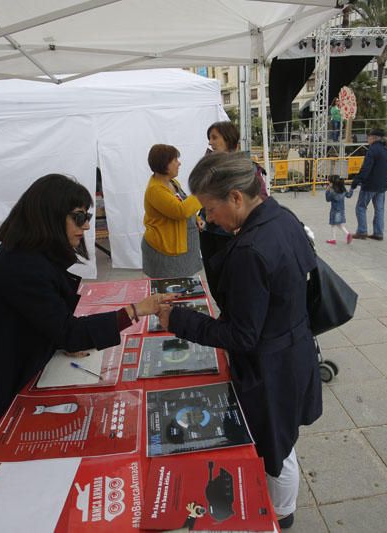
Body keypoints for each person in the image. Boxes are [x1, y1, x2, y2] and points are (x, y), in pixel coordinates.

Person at [0, 174, 171, 450]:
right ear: (49, 216)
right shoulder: (21, 267)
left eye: (87, 217)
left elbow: (52, 323)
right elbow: (70, 333)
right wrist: (135, 310)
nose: (86, 226)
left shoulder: (29, 254)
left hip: (12, 360)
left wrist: (62, 337)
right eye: (79, 217)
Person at [157, 152, 322, 530]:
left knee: (274, 447)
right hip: (294, 349)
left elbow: (241, 335)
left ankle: (280, 516)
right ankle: (283, 507)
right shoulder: (283, 218)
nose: (209, 218)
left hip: (271, 365)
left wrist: (179, 320)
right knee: (284, 439)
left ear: (236, 197)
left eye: (211, 209)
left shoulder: (251, 249)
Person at [199, 121, 268, 299]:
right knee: (214, 279)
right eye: (209, 139)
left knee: (233, 281)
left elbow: (261, 199)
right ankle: (224, 313)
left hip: (233, 235)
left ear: (229, 140)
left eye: (215, 137)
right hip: (208, 231)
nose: (211, 142)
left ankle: (232, 316)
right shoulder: (207, 167)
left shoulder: (247, 168)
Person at [141, 144, 203, 278]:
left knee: (182, 286)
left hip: (180, 245)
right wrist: (201, 192)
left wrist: (196, 219)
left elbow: (183, 202)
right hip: (165, 249)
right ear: (164, 164)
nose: (179, 163)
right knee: (169, 288)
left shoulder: (172, 182)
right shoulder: (156, 190)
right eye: (175, 160)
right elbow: (180, 211)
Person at [351, 128, 387, 241]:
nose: (367, 139)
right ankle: (378, 233)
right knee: (379, 209)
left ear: (374, 137)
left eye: (368, 137)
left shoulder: (372, 150)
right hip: (382, 185)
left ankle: (362, 231)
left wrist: (356, 181)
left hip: (370, 184)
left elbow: (366, 168)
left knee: (361, 207)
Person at [325, 175, 353, 244]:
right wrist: (352, 189)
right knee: (337, 224)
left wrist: (327, 190)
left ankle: (346, 234)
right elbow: (349, 195)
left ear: (332, 183)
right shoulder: (343, 190)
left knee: (335, 224)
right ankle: (334, 239)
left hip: (334, 211)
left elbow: (327, 199)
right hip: (341, 210)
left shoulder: (332, 192)